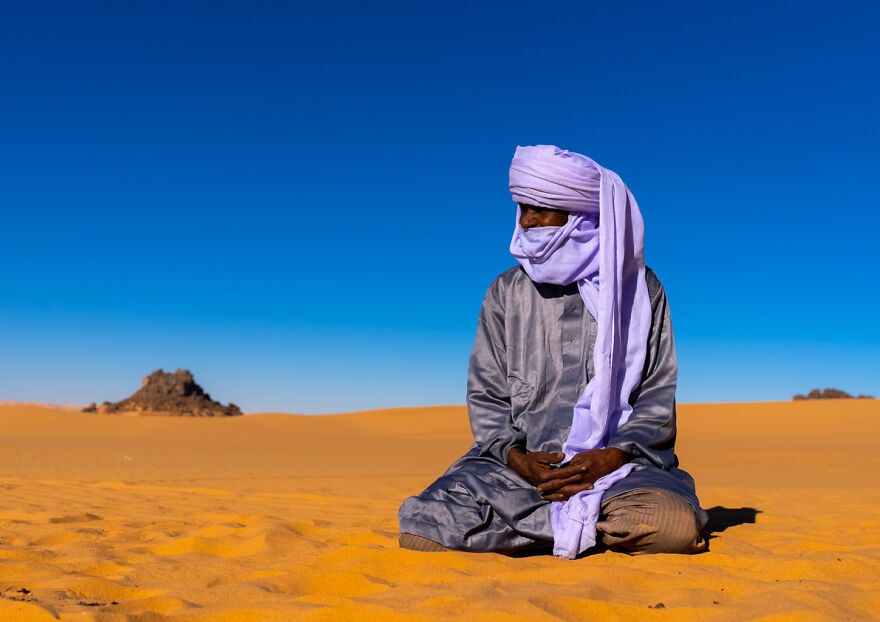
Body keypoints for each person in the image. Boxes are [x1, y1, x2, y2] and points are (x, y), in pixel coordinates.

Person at [397, 145, 708, 559]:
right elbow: (486, 394)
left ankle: (546, 527)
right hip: (518, 471)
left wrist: (612, 456)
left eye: (540, 209)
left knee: (667, 526)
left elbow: (656, 393)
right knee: (422, 529)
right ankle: (574, 529)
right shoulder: (505, 291)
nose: (527, 220)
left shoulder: (639, 289)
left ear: (578, 214)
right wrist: (516, 458)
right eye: (522, 208)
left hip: (620, 470)